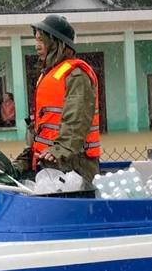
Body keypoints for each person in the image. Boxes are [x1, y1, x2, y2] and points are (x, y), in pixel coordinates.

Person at [12, 14, 100, 184]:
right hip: (51, 165)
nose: (37, 46)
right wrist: (28, 155)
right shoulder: (47, 76)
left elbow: (77, 120)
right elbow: (39, 125)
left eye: (41, 40)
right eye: (36, 40)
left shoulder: (76, 75)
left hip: (74, 168)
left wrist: (60, 149)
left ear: (56, 43)